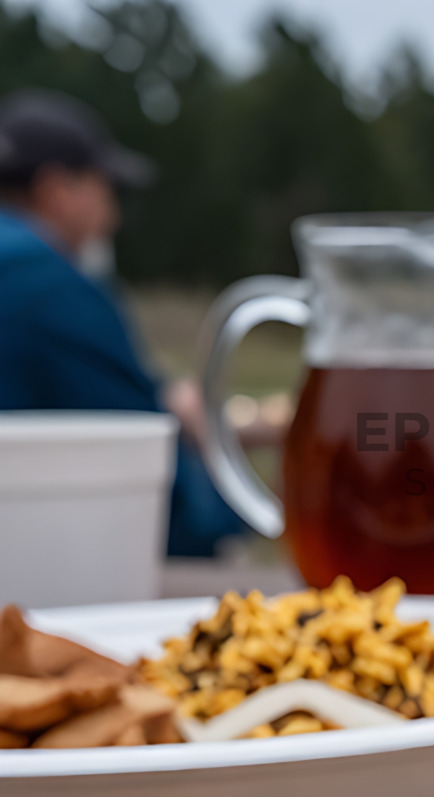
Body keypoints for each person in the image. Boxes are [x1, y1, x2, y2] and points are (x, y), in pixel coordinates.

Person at [0, 90, 242, 558]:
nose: (111, 215)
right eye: (105, 190)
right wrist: (217, 463)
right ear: (57, 191)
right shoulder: (50, 287)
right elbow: (168, 508)